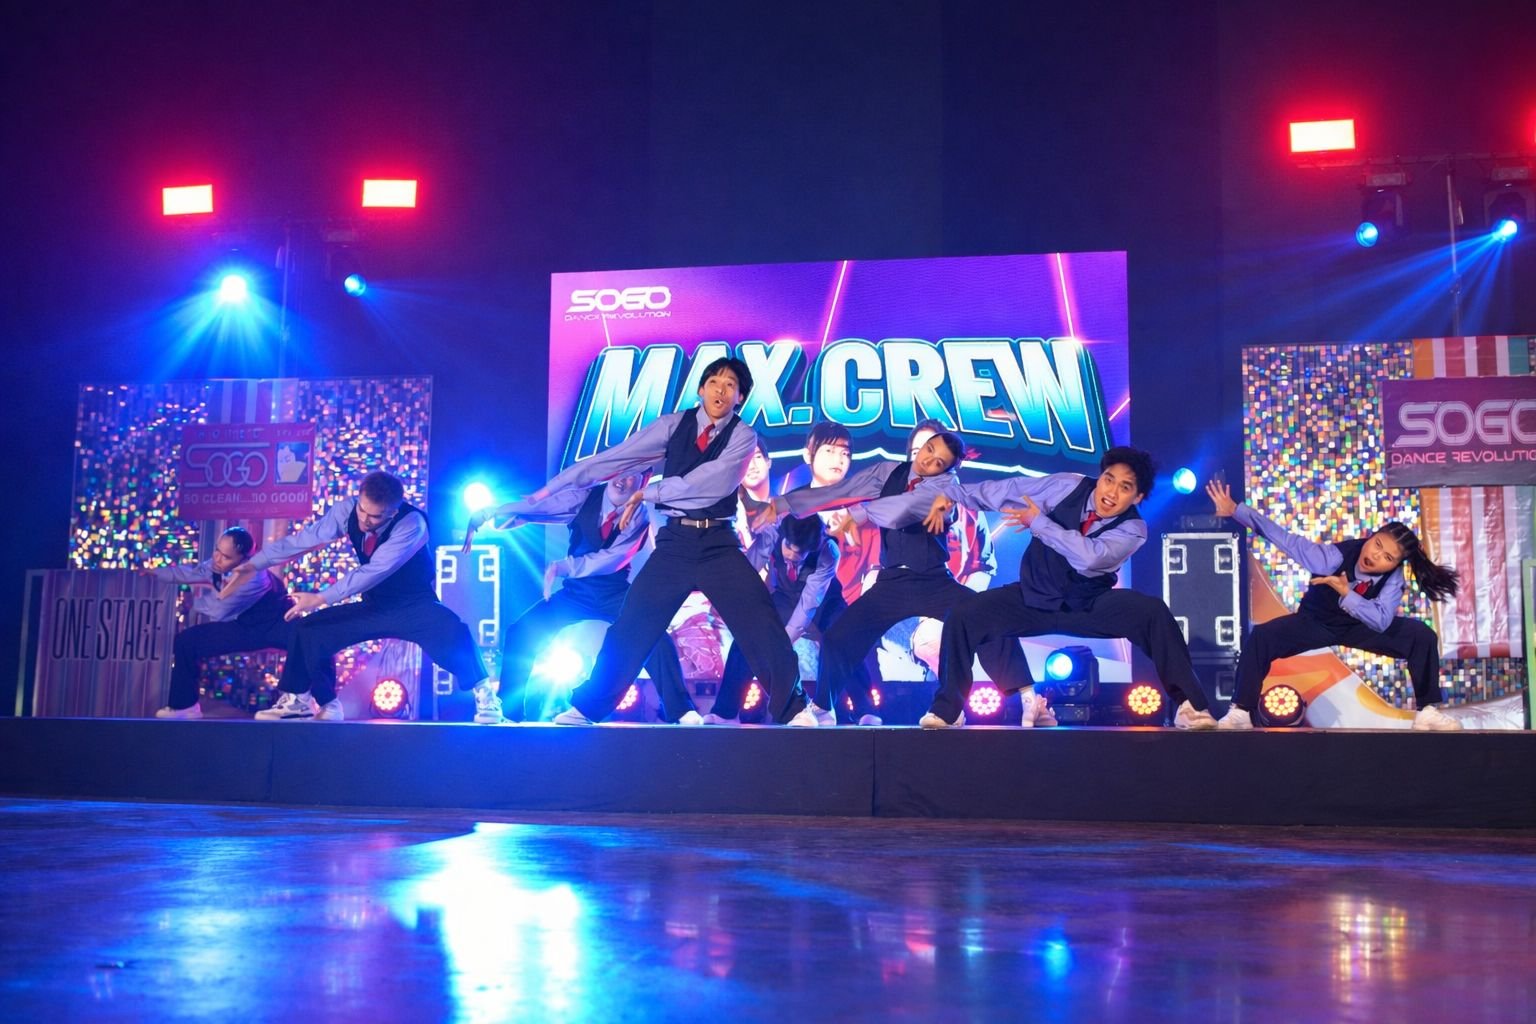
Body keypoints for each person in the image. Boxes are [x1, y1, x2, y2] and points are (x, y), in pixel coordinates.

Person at [521, 356, 811, 726]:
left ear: (740, 397)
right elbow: (616, 458)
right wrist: (546, 491)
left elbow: (712, 481)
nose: (721, 390)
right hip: (676, 542)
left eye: (730, 385)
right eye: (714, 382)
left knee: (759, 619)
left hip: (719, 543)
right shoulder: (673, 425)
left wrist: (650, 492)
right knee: (633, 623)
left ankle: (794, 708)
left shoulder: (743, 437)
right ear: (701, 389)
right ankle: (587, 707)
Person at [913, 446, 1217, 729]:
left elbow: (1089, 557)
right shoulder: (1068, 485)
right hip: (1033, 598)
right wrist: (950, 494)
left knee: (1152, 612)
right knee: (963, 615)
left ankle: (1190, 706)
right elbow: (1008, 490)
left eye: (1124, 487)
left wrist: (1039, 523)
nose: (1111, 492)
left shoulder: (1134, 529)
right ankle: (948, 710)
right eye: (1108, 479)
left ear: (1137, 497)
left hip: (1088, 606)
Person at [772, 429, 1031, 725]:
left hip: (934, 580)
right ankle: (822, 706)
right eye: (928, 449)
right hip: (892, 583)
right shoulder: (888, 472)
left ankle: (1028, 700)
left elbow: (903, 509)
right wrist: (781, 504)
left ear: (950, 468)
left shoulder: (946, 486)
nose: (928, 460)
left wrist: (858, 513)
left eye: (939, 461)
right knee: (838, 637)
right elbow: (839, 491)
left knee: (988, 619)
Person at [221, 470, 493, 722]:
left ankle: (486, 698)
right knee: (309, 630)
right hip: (375, 604)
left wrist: (321, 598)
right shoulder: (348, 510)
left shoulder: (412, 524)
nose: (364, 519)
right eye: (362, 509)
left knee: (452, 630)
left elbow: (375, 571)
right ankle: (302, 702)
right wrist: (255, 563)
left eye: (375, 516)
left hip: (413, 605)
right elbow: (305, 539)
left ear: (393, 511)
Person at [1206, 480, 1463, 731]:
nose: (1375, 556)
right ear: (1371, 537)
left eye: (1387, 557)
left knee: (1421, 636)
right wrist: (1236, 510)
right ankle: (1242, 710)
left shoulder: (1394, 579)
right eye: (1377, 544)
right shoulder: (1332, 558)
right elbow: (1284, 539)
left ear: (1396, 564)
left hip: (1361, 627)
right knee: (1262, 636)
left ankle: (1427, 711)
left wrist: (1346, 593)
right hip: (1315, 623)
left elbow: (1381, 621)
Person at [468, 472, 701, 723]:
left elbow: (613, 559)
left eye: (632, 477)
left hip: (614, 593)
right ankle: (509, 714)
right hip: (576, 593)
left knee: (655, 638)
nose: (623, 480)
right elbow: (542, 507)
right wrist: (492, 511)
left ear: (642, 482)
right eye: (621, 473)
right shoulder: (584, 498)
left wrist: (564, 566)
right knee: (521, 631)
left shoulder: (639, 514)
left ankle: (681, 710)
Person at [707, 513, 847, 724]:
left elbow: (810, 600)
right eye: (789, 547)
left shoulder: (828, 550)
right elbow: (747, 569)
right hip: (784, 597)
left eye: (800, 552)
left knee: (843, 638)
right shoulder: (772, 533)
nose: (791, 555)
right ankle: (726, 711)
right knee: (747, 638)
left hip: (826, 601)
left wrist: (784, 642)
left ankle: (834, 708)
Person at [145, 526, 294, 719]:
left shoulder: (253, 576)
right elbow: (191, 573)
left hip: (274, 626)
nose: (217, 558)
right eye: (217, 551)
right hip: (245, 626)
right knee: (186, 641)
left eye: (226, 557)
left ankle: (315, 704)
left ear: (244, 558)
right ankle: (184, 706)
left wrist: (193, 603)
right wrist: (153, 572)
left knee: (309, 642)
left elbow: (219, 611)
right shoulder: (219, 563)